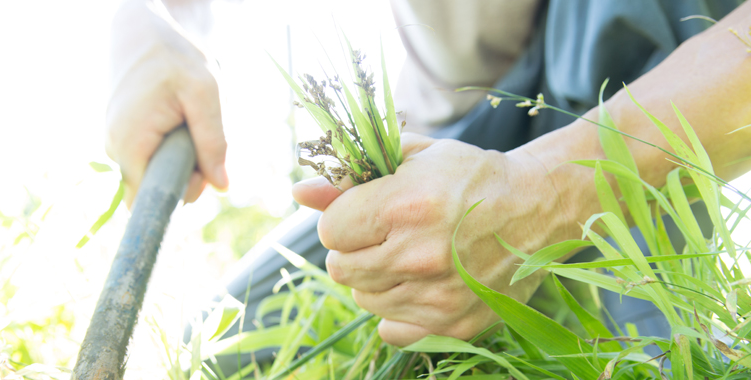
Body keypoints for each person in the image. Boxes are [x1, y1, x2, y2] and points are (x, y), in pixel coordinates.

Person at [106, 0, 751, 356]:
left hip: (660, 71)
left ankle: (674, 374)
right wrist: (141, 27)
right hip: (457, 128)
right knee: (223, 345)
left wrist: (546, 192)